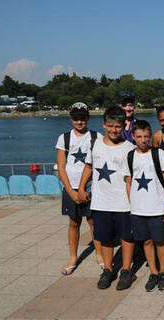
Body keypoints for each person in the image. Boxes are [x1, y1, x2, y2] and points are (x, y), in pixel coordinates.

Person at [77, 106, 136, 290]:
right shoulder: (95, 144)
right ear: (104, 125)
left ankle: (126, 270)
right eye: (110, 126)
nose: (114, 130)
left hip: (124, 203)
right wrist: (80, 188)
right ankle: (108, 270)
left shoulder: (130, 148)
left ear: (124, 126)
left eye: (118, 126)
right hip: (101, 202)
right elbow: (88, 167)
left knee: (127, 237)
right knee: (105, 238)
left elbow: (131, 178)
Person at [125, 120, 164, 291]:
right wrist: (132, 205)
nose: (144, 140)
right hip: (138, 209)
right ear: (133, 137)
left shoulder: (159, 154)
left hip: (157, 206)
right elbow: (129, 181)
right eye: (139, 137)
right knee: (146, 242)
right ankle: (153, 272)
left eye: (146, 136)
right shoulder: (130, 156)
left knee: (160, 241)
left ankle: (163, 271)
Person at [56, 102, 103, 275]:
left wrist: (85, 189)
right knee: (74, 222)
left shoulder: (96, 136)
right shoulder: (64, 138)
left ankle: (99, 253)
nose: (79, 121)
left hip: (90, 185)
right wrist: (70, 191)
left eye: (82, 118)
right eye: (76, 118)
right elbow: (61, 167)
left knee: (93, 221)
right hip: (71, 185)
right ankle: (73, 257)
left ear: (88, 118)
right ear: (71, 119)